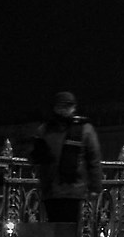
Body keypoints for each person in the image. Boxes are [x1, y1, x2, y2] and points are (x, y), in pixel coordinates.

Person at [28, 91, 103, 226]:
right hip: (59, 189)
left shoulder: (45, 129)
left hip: (66, 190)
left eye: (67, 106)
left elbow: (93, 160)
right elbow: (94, 160)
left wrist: (95, 187)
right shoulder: (84, 128)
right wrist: (95, 188)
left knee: (61, 231)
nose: (64, 110)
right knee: (64, 232)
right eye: (62, 106)